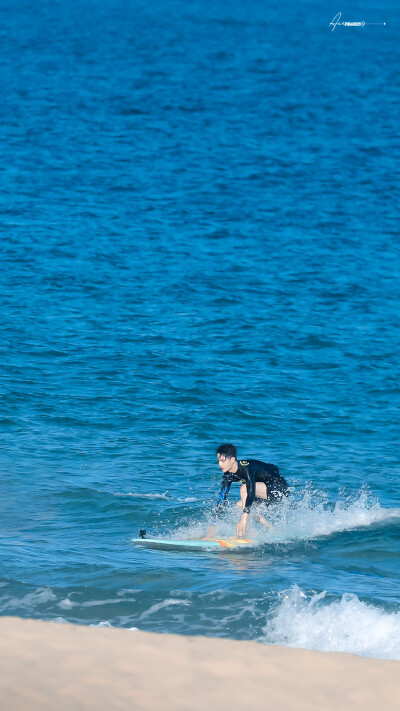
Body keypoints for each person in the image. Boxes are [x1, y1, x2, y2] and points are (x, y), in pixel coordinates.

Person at [204, 443, 289, 539]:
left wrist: (244, 518)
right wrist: (213, 525)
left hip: (279, 488)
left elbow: (250, 491)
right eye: (218, 461)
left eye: (223, 461)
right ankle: (271, 529)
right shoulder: (227, 476)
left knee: (244, 489)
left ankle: (246, 531)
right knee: (239, 506)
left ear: (232, 460)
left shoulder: (246, 467)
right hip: (264, 491)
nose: (220, 464)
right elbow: (222, 499)